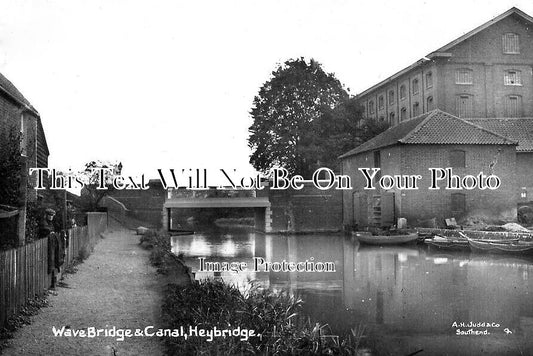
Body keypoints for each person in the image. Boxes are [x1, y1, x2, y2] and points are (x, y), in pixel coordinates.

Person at [40, 209, 66, 289]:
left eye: (52, 216)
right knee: (51, 259)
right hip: (44, 245)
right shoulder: (44, 222)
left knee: (54, 258)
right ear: (46, 215)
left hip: (51, 245)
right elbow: (45, 229)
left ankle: (54, 282)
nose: (51, 217)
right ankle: (52, 284)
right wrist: (50, 232)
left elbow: (52, 229)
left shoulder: (50, 223)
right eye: (50, 215)